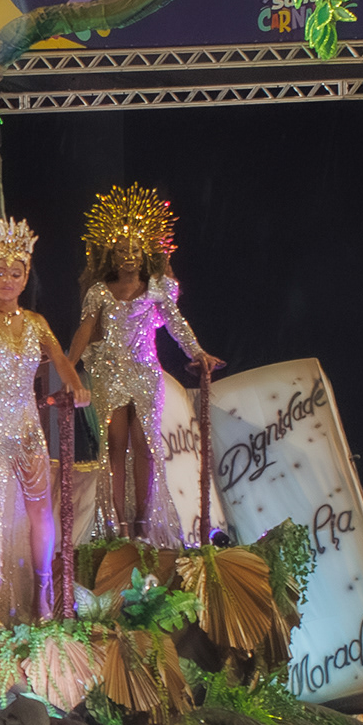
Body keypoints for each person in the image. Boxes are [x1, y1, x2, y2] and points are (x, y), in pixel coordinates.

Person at [67, 184, 223, 544]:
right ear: (112, 255)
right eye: (122, 251)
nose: (129, 257)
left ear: (144, 254)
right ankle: (118, 525)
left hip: (144, 373)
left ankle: (142, 523)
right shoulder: (100, 292)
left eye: (135, 250)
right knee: (115, 444)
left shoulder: (156, 290)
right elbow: (84, 330)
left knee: (145, 446)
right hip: (109, 373)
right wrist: (67, 366)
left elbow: (177, 324)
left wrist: (197, 353)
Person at [0, 217, 88, 626]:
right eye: (0, 272)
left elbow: (61, 360)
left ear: (26, 277)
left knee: (41, 512)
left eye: (15, 273)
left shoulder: (37, 323)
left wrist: (76, 386)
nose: (7, 280)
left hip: (27, 425)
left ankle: (43, 594)